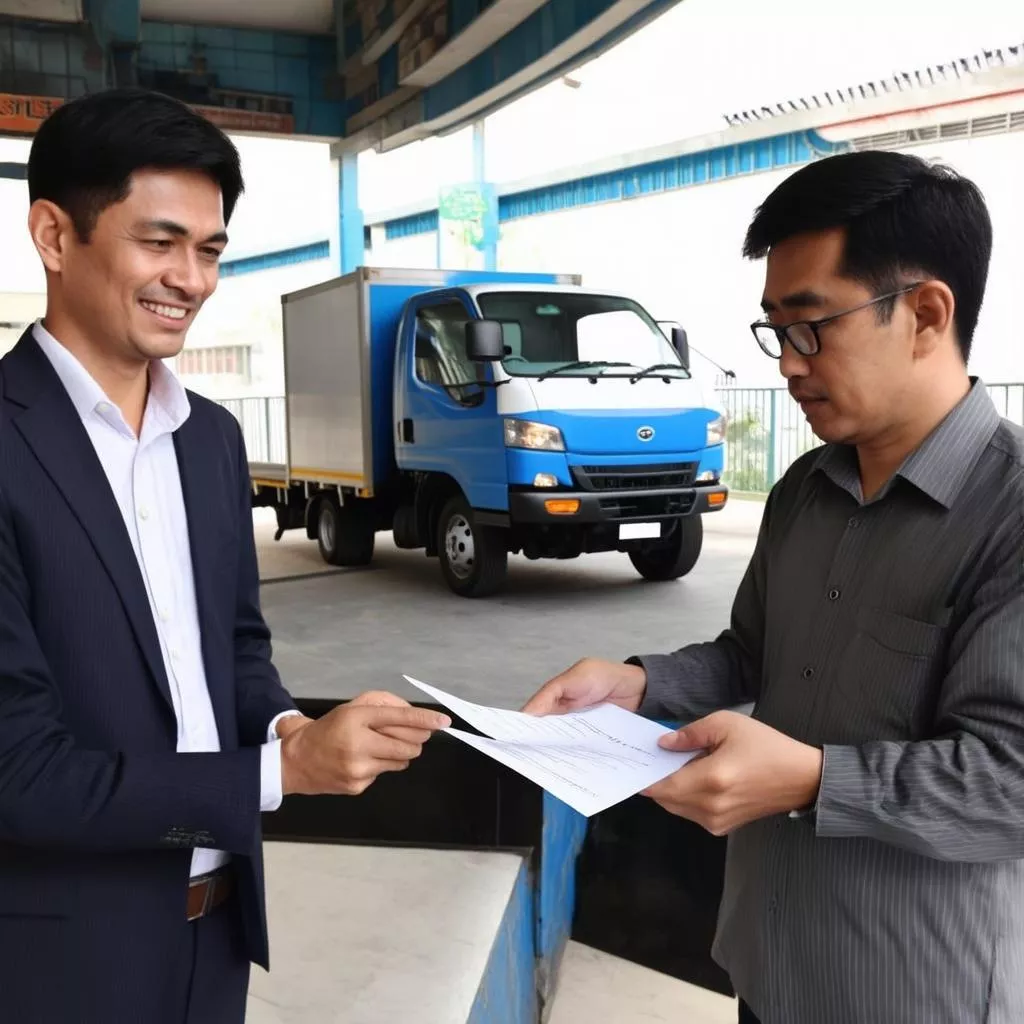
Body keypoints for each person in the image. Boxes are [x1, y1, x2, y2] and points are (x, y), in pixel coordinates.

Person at [525, 150, 1024, 1024]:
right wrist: (639, 684)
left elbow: (1009, 779)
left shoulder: (1009, 514)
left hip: (912, 990)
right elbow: (752, 654)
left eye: (811, 326)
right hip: (769, 960)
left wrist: (811, 781)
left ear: (927, 314)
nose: (789, 363)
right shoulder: (804, 490)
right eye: (774, 330)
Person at [0, 87, 450, 1023]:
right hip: (58, 963)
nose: (192, 280)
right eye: (159, 242)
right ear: (53, 234)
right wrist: (285, 774)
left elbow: (233, 650)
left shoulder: (207, 439)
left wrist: (286, 726)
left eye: (208, 251)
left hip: (217, 939)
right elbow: (19, 775)